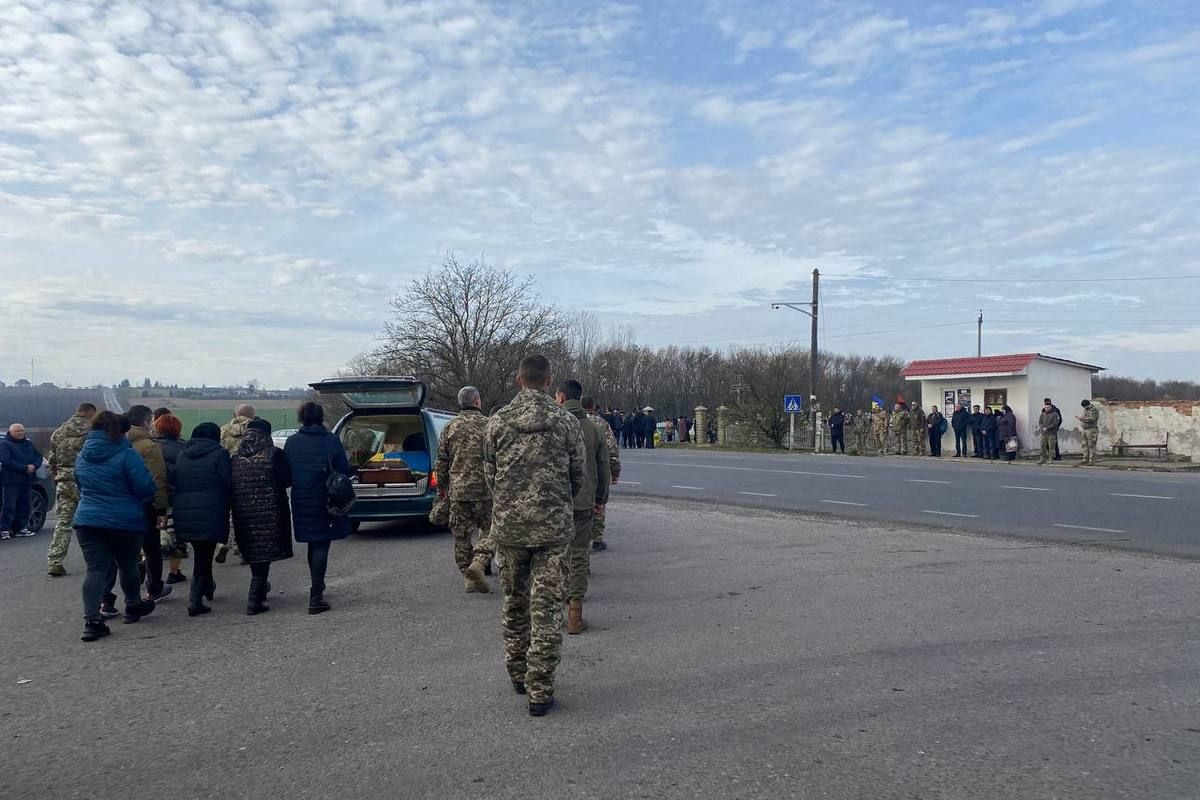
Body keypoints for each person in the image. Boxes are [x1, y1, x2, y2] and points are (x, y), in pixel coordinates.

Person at [485, 354, 583, 716]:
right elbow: (578, 474)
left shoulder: (497, 422)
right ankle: (540, 691)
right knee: (546, 610)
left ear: (518, 379)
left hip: (510, 530)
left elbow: (488, 476)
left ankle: (518, 673)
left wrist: (508, 505)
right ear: (548, 380)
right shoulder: (565, 422)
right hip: (553, 531)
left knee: (514, 601)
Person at [72, 411, 158, 641]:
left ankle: (92, 620)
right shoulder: (126, 454)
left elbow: (78, 483)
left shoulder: (82, 455)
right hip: (124, 519)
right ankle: (133, 606)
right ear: (119, 431)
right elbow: (145, 486)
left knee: (95, 569)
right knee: (128, 564)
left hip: (87, 519)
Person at [284, 401, 354, 615]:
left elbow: (286, 474)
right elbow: (343, 468)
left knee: (312, 542)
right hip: (325, 498)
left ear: (301, 418)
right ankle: (316, 595)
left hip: (301, 497)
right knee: (322, 543)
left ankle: (317, 584)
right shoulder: (330, 440)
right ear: (321, 416)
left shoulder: (292, 442)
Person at [556, 381, 610, 635]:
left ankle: (550, 608)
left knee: (553, 555)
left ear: (562, 396)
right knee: (578, 555)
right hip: (584, 500)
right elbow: (603, 468)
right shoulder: (594, 428)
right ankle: (575, 614)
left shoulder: (551, 423)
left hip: (554, 501)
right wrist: (601, 500)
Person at [433, 385, 495, 594]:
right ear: (477, 401)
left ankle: (467, 575)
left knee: (461, 535)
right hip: (486, 490)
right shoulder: (489, 425)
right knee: (489, 530)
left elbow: (441, 461)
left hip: (458, 491)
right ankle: (479, 562)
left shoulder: (450, 427)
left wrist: (442, 488)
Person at [231, 418, 293, 615]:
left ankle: (260, 590)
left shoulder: (235, 458)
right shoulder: (274, 454)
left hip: (243, 512)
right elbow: (286, 480)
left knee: (253, 551)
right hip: (270, 511)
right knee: (264, 552)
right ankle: (254, 599)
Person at [172, 423, 232, 616]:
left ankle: (207, 586)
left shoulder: (182, 454)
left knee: (201, 552)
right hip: (211, 509)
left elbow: (175, 479)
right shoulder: (220, 454)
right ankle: (195, 599)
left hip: (185, 509)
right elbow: (227, 481)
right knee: (204, 555)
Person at [123, 405, 172, 601]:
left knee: (129, 551)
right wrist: (161, 508)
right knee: (152, 548)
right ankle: (154, 587)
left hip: (122, 504)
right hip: (145, 504)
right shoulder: (149, 446)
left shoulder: (118, 441)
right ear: (146, 422)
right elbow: (157, 479)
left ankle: (128, 593)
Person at [46, 403, 96, 574]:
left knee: (64, 521)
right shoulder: (92, 431)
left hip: (64, 480)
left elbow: (52, 459)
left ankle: (55, 560)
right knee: (95, 520)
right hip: (87, 480)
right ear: (90, 413)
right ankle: (98, 559)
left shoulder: (59, 432)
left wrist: (57, 475)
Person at [153, 412, 189, 585]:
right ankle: (174, 571)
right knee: (176, 537)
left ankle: (149, 568)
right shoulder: (184, 448)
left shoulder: (150, 446)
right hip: (176, 496)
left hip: (152, 496)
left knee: (152, 535)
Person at [585, 396, 620, 552]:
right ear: (594, 407)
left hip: (579, 469)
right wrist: (614, 470)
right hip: (599, 469)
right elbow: (612, 449)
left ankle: (580, 538)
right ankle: (597, 538)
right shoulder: (601, 424)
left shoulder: (571, 421)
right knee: (599, 502)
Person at [0, 423, 44, 539]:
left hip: (27, 479)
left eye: (22, 430)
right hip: (11, 480)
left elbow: (38, 456)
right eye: (18, 431)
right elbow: (6, 460)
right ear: (11, 432)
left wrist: (34, 466)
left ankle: (20, 528)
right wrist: (24, 468)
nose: (21, 433)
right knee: (9, 506)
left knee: (25, 506)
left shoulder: (28, 443)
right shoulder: (4, 444)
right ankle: (4, 529)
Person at [1037, 398, 1062, 465]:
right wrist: (1041, 427)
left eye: (1048, 407)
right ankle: (1042, 458)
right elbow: (1040, 421)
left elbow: (1055, 423)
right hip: (1043, 433)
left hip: (1051, 433)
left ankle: (1051, 459)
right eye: (1045, 407)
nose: (1046, 408)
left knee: (1051, 446)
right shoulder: (1043, 414)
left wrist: (1048, 428)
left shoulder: (1055, 413)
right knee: (1043, 446)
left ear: (1050, 406)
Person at [1077, 400, 1101, 466]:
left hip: (1091, 429)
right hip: (1085, 429)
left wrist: (1082, 419)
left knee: (1091, 445)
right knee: (1084, 444)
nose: (1084, 408)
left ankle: (1092, 460)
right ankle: (1085, 459)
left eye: (1085, 406)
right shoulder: (1086, 410)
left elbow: (1092, 419)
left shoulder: (1094, 410)